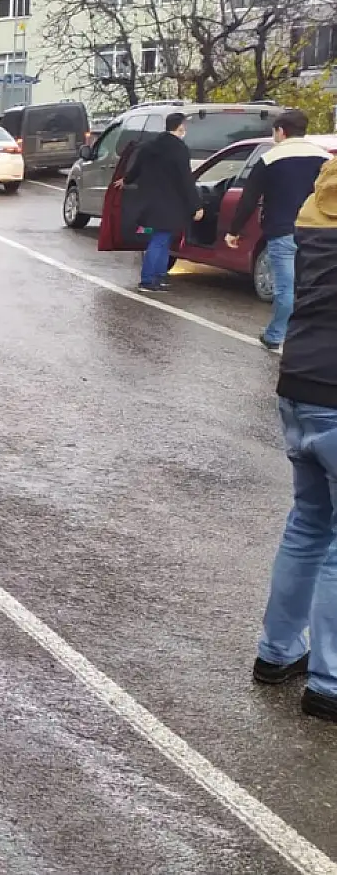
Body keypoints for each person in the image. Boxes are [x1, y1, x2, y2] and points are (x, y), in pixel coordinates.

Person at [253, 155, 337, 724]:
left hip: (300, 382)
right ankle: (330, 682)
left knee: (309, 522)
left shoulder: (314, 212)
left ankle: (277, 652)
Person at [226, 110, 330, 351]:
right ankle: (311, 337)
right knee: (314, 286)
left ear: (281, 131)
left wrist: (234, 230)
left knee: (285, 288)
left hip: (283, 231)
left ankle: (275, 335)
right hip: (319, 233)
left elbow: (249, 199)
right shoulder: (325, 159)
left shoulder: (270, 159)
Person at [120, 112, 203, 293]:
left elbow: (136, 168)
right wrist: (196, 205)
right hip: (170, 204)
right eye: (185, 125)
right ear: (180, 127)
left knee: (162, 239)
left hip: (149, 202)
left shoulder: (150, 146)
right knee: (160, 240)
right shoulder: (179, 149)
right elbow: (185, 179)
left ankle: (159, 276)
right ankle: (149, 279)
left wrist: (125, 180)